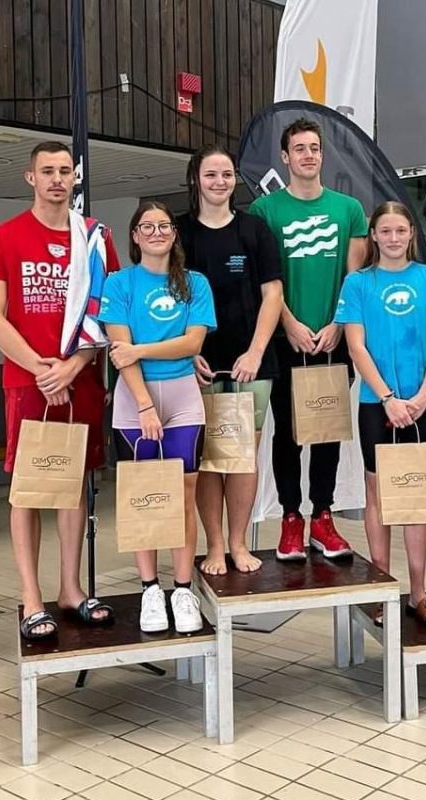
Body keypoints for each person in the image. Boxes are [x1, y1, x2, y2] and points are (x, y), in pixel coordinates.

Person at [0, 141, 119, 640]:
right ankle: (31, 598)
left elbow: (105, 314)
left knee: (74, 485)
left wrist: (72, 368)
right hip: (27, 382)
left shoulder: (94, 239)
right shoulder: (3, 238)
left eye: (65, 171)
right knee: (29, 490)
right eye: (47, 171)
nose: (57, 179)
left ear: (75, 178)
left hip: (81, 379)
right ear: (30, 177)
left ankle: (70, 589)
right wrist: (41, 370)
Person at [249, 117, 368, 560]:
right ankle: (290, 518)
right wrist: (289, 324)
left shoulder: (348, 210)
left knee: (327, 430)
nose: (308, 155)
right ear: (285, 157)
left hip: (333, 339)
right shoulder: (265, 210)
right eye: (299, 148)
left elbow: (355, 279)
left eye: (314, 148)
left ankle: (322, 516)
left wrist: (338, 323)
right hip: (287, 340)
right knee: (287, 433)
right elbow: (265, 280)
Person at [99, 201, 216, 633]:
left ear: (174, 233)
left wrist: (141, 350)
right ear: (134, 235)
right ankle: (150, 588)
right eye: (146, 227)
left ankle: (182, 589)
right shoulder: (119, 283)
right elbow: (119, 352)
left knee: (184, 495)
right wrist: (145, 405)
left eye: (163, 225)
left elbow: (191, 343)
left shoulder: (194, 283)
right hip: (134, 401)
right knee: (143, 495)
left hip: (183, 396)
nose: (156, 232)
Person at [334, 201, 426, 625]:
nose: (394, 238)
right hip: (375, 403)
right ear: (374, 236)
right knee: (377, 493)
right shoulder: (358, 283)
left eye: (401, 230)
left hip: (423, 403)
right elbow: (356, 346)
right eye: (386, 231)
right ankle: (382, 588)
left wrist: (423, 395)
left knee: (416, 495)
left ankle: (419, 592)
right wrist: (387, 398)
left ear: (411, 233)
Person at [177, 145, 283, 575]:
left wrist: (255, 352)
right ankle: (215, 545)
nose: (219, 182)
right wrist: (190, 352)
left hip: (250, 362)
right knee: (207, 457)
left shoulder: (254, 230)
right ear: (195, 180)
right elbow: (167, 297)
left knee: (241, 456)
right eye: (210, 175)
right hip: (196, 362)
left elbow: (273, 295)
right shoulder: (180, 232)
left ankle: (238, 542)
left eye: (226, 175)